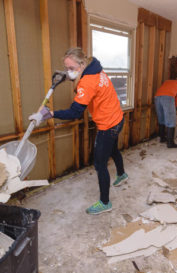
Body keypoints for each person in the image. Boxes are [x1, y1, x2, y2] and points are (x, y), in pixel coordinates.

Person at [29, 47, 128, 215]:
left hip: (107, 126)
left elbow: (75, 113)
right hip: (118, 118)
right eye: (67, 68)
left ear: (82, 64)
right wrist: (67, 75)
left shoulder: (87, 82)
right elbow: (85, 79)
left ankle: (105, 202)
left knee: (99, 164)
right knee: (112, 149)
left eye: (71, 69)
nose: (69, 72)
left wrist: (49, 114)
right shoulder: (96, 68)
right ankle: (122, 174)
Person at [154, 78, 177, 148]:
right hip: (168, 98)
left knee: (161, 119)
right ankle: (170, 143)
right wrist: (173, 107)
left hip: (157, 97)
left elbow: (163, 90)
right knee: (171, 121)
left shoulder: (167, 81)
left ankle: (162, 138)